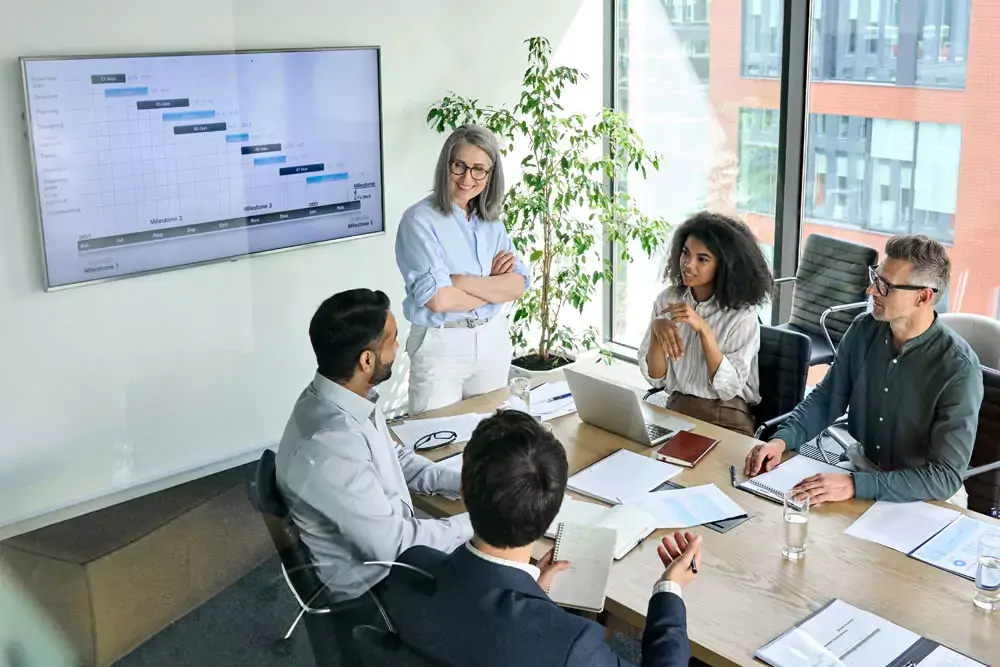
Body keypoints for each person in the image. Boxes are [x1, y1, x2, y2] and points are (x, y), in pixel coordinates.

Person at [379, 410, 701, 667]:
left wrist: (535, 595)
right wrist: (669, 591)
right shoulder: (572, 645)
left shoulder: (408, 569)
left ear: (462, 490)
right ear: (554, 509)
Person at [275, 289, 473, 662]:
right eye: (393, 340)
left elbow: (394, 458)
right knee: (505, 590)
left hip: (385, 561)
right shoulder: (330, 445)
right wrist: (480, 522)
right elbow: (394, 547)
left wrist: (459, 481)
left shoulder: (340, 397)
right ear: (367, 360)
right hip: (376, 597)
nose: (399, 348)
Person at [745, 235, 983, 506]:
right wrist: (780, 442)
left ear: (923, 296)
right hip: (862, 468)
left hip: (925, 494)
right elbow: (826, 399)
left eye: (886, 286)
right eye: (875, 277)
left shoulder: (959, 368)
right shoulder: (863, 329)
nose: (871, 291)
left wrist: (854, 485)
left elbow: (944, 477)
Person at [395, 124, 530, 415]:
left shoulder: (492, 222)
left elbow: (517, 286)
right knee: (436, 442)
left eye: (479, 169)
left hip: (492, 339)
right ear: (446, 166)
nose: (468, 177)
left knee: (492, 443)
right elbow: (439, 300)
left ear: (490, 175)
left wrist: (460, 281)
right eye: (460, 166)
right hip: (442, 342)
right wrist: (493, 288)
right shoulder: (419, 220)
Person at [638, 212, 773, 436]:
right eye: (685, 253)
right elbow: (656, 378)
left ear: (725, 266)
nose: (688, 265)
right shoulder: (667, 300)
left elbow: (728, 389)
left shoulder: (742, 315)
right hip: (677, 409)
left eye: (703, 259)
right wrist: (656, 331)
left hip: (726, 417)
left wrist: (704, 330)